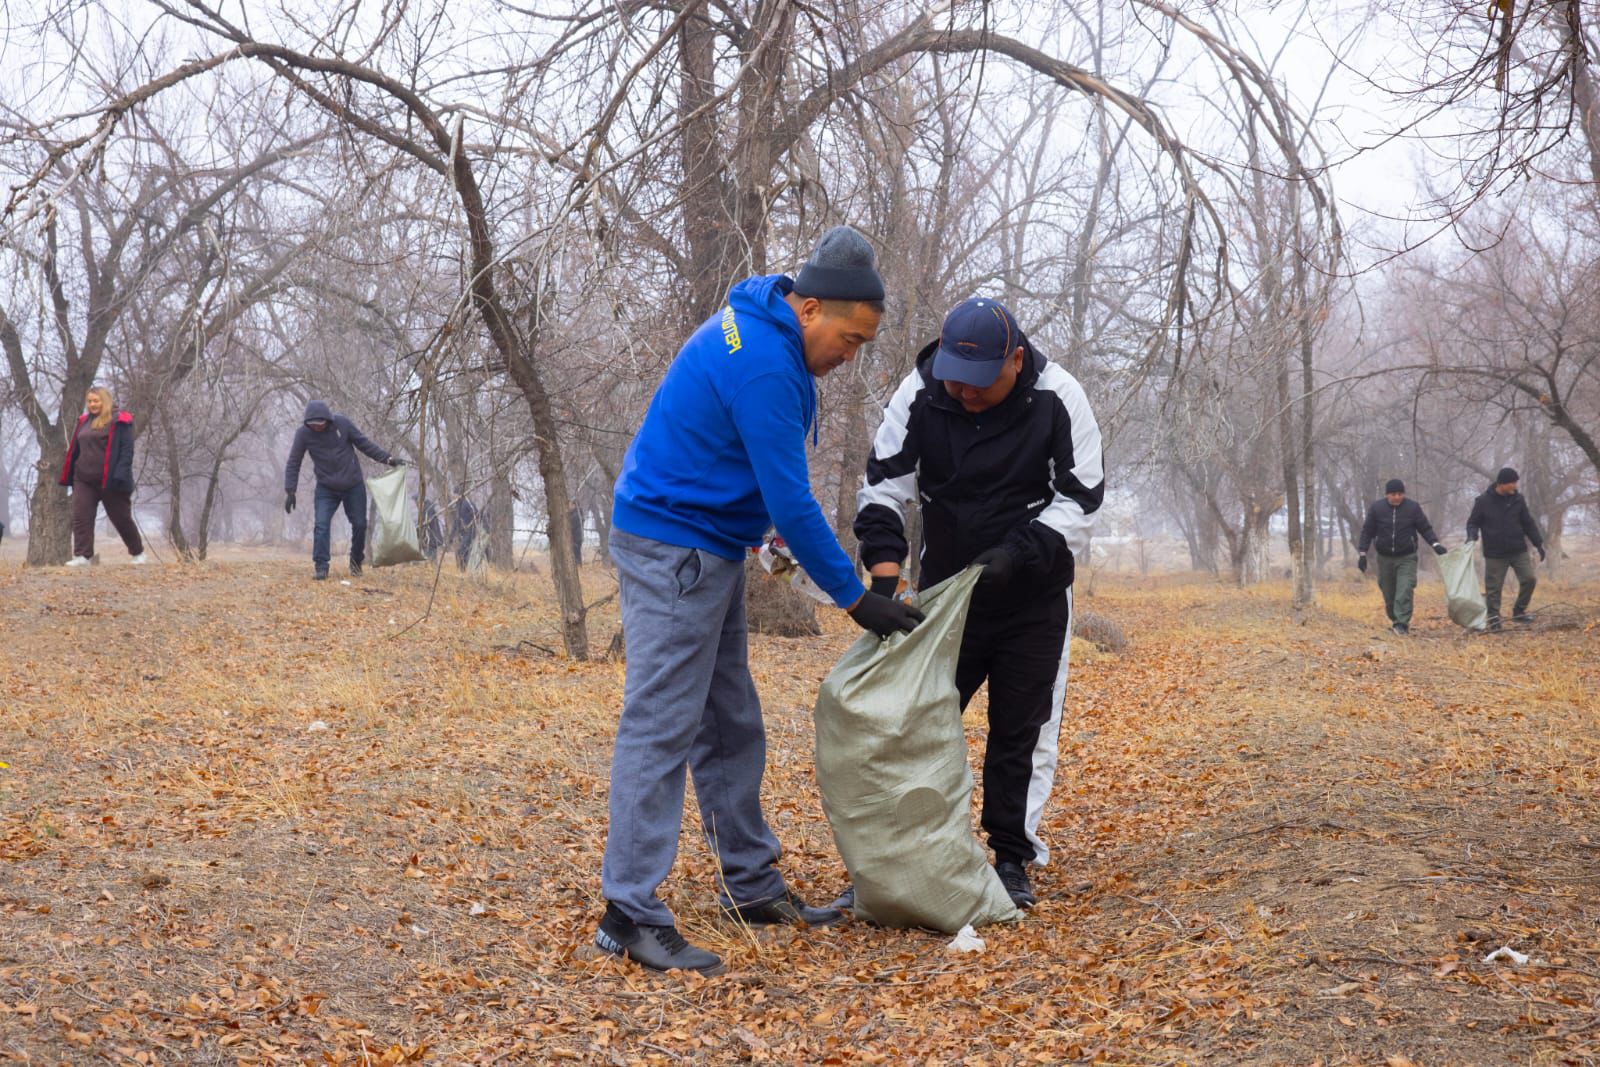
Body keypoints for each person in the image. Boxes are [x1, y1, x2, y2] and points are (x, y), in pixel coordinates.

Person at [596, 225, 923, 976]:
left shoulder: (760, 323)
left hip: (704, 540)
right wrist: (855, 598)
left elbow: (754, 478)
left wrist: (769, 543)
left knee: (728, 717)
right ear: (808, 308)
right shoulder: (770, 367)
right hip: (676, 546)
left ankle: (749, 882)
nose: (850, 358)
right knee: (661, 724)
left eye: (863, 344)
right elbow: (793, 498)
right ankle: (629, 909)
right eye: (848, 338)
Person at [853, 296, 1105, 911]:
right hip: (944, 595)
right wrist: (885, 578)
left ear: (1015, 360)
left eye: (979, 383)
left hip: (1034, 594)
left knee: (1021, 728)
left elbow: (1082, 497)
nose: (963, 394)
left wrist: (1018, 553)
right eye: (954, 382)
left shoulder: (1059, 396)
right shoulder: (921, 390)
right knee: (917, 723)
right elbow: (885, 486)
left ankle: (1013, 858)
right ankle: (901, 859)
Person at [283, 400, 403, 580]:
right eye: (313, 425)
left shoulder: (342, 424)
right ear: (307, 423)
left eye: (320, 424)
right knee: (321, 525)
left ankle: (356, 562)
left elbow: (364, 444)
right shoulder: (303, 435)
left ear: (327, 420)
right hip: (326, 487)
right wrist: (290, 491)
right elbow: (294, 461)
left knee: (360, 524)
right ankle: (321, 567)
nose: (317, 427)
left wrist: (388, 459)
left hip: (352, 484)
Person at [59, 385, 147, 566]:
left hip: (111, 481)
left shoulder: (120, 421)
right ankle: (83, 556)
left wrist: (121, 474)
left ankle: (138, 553)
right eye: (90, 401)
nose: (92, 404)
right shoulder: (83, 421)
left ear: (105, 401)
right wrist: (70, 473)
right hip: (83, 479)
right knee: (81, 517)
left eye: (96, 401)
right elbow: (76, 448)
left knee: (121, 518)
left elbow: (126, 450)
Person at [1356, 478, 1446, 635]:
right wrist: (1362, 553)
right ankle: (1395, 619)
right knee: (1388, 591)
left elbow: (1425, 528)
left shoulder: (1413, 508)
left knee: (1404, 589)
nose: (1397, 497)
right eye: (1393, 494)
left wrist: (1435, 544)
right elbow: (1367, 531)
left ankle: (1401, 623)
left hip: (1407, 557)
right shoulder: (1377, 508)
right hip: (1384, 558)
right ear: (1387, 495)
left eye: (1400, 494)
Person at [1466, 466, 1546, 631]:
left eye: (1515, 483)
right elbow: (1473, 522)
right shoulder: (1483, 501)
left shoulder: (1518, 499)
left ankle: (1519, 611)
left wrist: (1538, 543)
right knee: (1493, 588)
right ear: (1501, 484)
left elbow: (1528, 523)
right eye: (1512, 483)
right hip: (1495, 553)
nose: (1515, 486)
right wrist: (1472, 535)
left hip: (1518, 549)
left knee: (1529, 579)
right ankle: (1494, 620)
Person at [451, 490, 479, 572]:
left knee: (462, 551)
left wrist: (470, 525)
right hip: (462, 533)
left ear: (459, 495)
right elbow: (456, 521)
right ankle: (461, 571)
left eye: (455, 495)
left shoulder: (467, 502)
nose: (454, 497)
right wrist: (451, 536)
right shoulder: (458, 505)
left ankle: (463, 571)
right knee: (460, 552)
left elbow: (476, 514)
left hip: (470, 532)